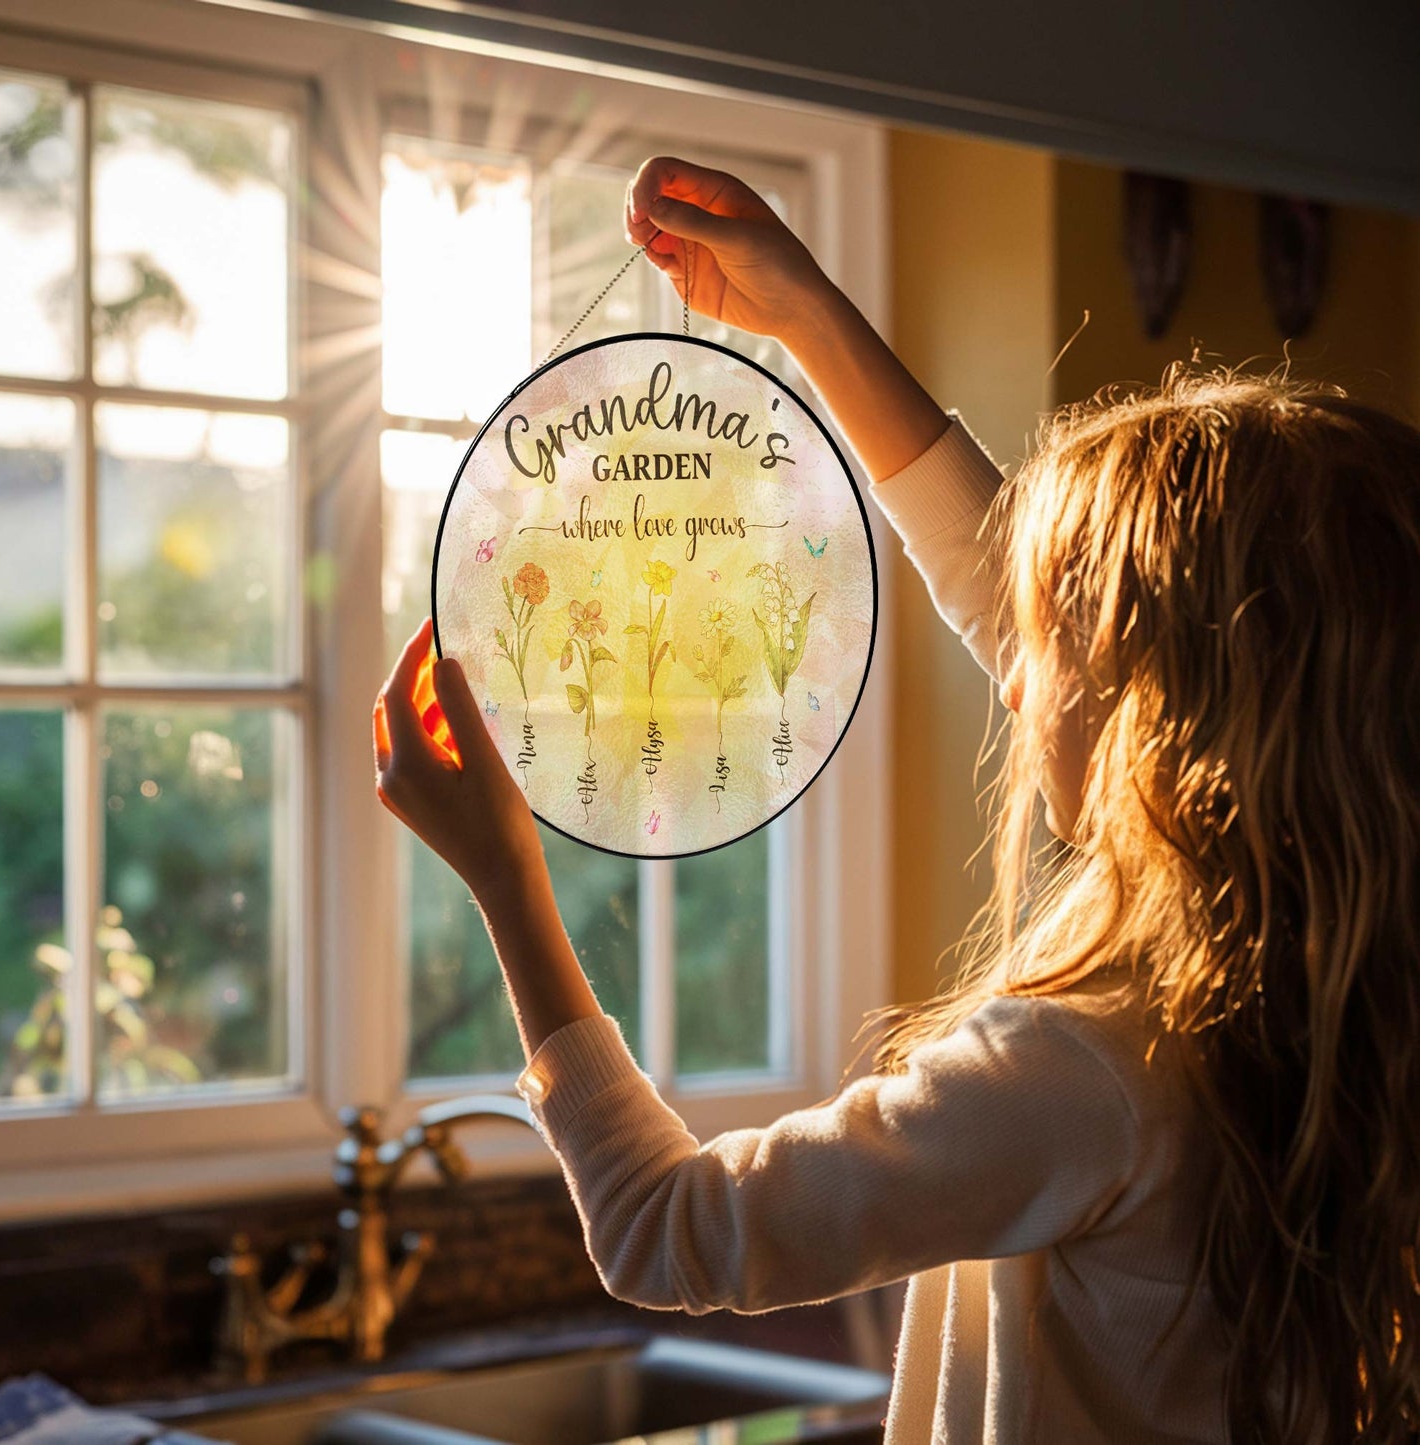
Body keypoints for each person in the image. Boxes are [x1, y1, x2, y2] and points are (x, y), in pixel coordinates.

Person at [373, 157, 1420, 1443]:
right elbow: (998, 577)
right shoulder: (1331, 990)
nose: (1016, 668)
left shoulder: (1083, 1072)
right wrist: (804, 311)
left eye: (1048, 645)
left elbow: (669, 1229)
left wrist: (504, 874)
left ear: (1155, 714)